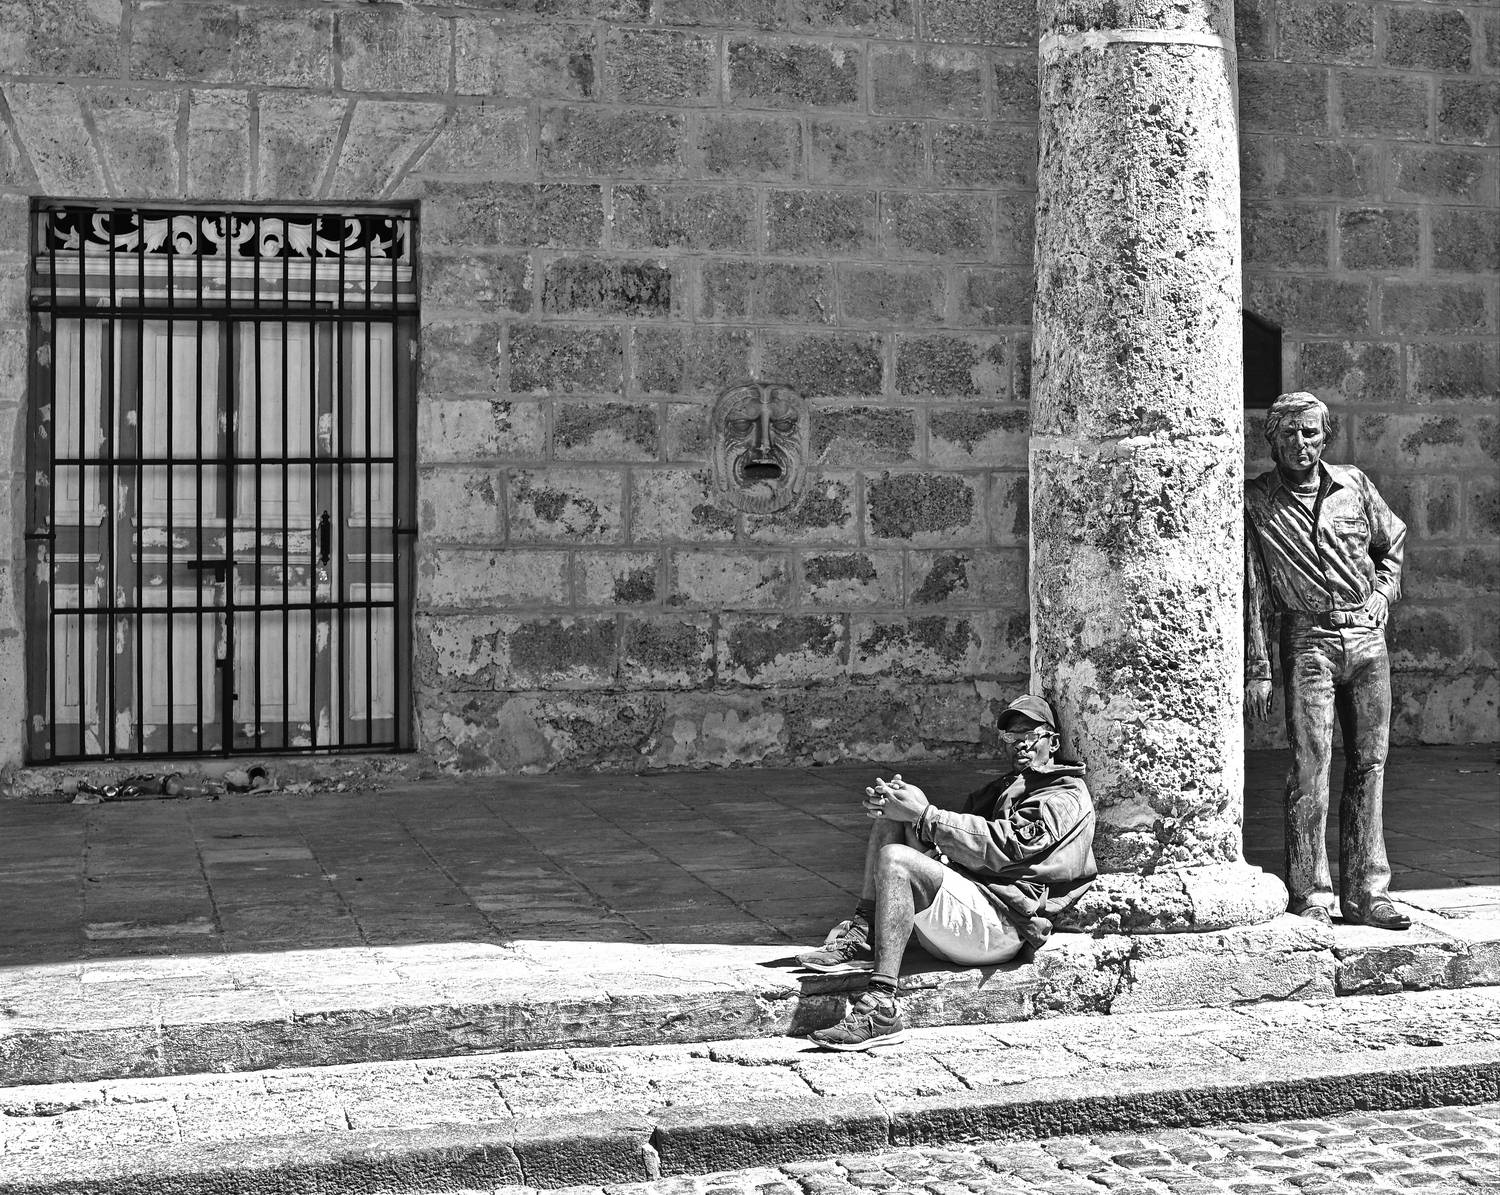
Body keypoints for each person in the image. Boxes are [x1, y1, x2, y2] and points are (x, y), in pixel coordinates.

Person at [799, 695, 1097, 1051]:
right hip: (973, 902)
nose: (1019, 744)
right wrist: (907, 808)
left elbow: (1007, 846)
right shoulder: (1008, 787)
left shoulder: (1064, 796)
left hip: (1002, 924)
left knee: (896, 859)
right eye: (1011, 737)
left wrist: (927, 816)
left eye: (1029, 735)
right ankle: (866, 934)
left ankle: (881, 1008)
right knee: (893, 813)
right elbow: (962, 844)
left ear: (1054, 742)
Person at [1244, 391, 1410, 931]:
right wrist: (1258, 669)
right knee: (1310, 767)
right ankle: (1310, 893)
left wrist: (1382, 593)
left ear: (1325, 436)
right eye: (1289, 434)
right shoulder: (1256, 501)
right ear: (1272, 440)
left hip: (1366, 640)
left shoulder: (1353, 485)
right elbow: (1253, 593)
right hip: (1307, 640)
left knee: (1370, 763)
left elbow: (1392, 541)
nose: (1301, 443)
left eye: (1311, 433)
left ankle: (1368, 893)